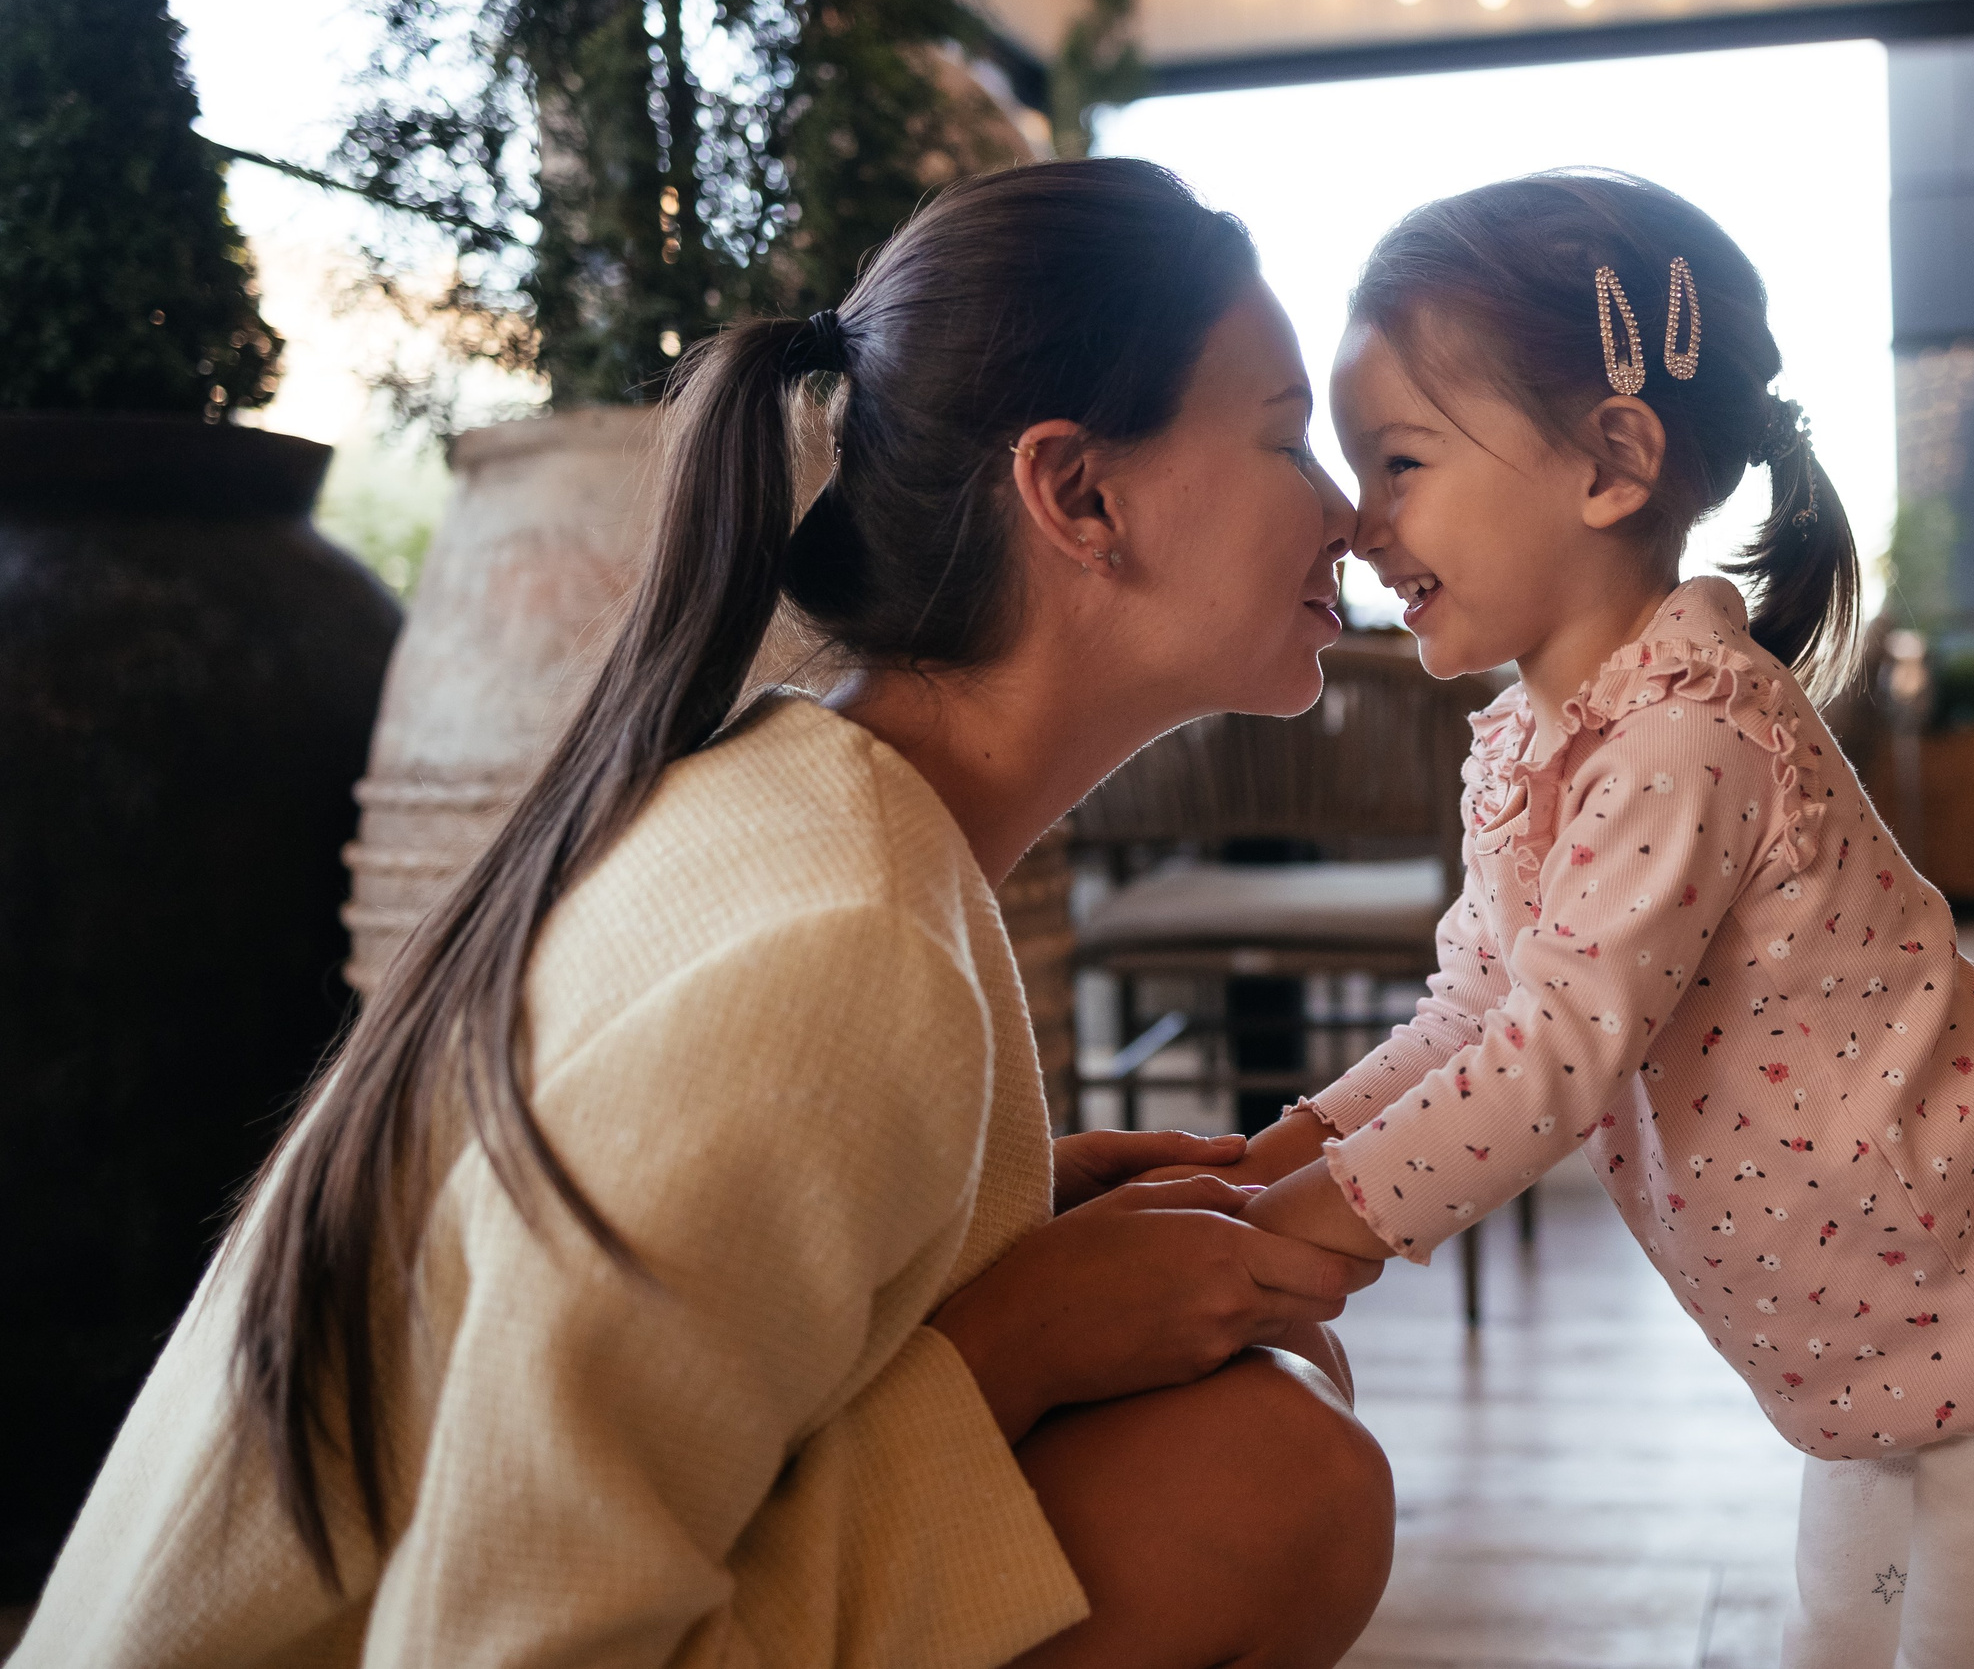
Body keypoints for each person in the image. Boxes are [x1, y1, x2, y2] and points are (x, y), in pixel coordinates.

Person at [11, 159, 1395, 1669]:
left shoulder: (787, 810)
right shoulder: (833, 946)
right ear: (1078, 494)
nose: (1346, 510)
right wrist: (1017, 1341)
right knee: (1266, 1484)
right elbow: (508, 1643)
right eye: (1285, 437)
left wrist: (980, 1236)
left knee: (1244, 1412)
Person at [1219, 172, 1974, 1668]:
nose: (1358, 524)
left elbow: (1550, 1059)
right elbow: (1473, 1013)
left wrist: (1289, 1235)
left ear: (1612, 461)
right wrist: (1279, 1156)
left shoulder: (1686, 738)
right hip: (1889, 1353)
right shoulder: (1536, 745)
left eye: (1400, 461)